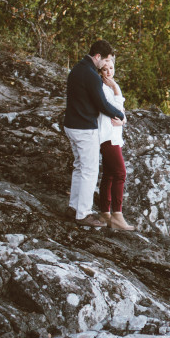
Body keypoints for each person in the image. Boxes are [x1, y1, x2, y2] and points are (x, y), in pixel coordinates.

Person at [63, 40, 126, 227]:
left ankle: (73, 207)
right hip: (84, 128)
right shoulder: (90, 75)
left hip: (71, 125)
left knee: (79, 167)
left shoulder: (77, 69)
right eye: (105, 60)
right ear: (97, 56)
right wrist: (120, 114)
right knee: (89, 171)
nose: (106, 65)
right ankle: (83, 214)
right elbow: (102, 104)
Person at [97, 56, 135, 230]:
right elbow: (116, 109)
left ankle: (105, 213)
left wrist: (123, 120)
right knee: (120, 173)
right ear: (100, 71)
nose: (109, 72)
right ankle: (117, 215)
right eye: (105, 69)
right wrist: (117, 88)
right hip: (107, 136)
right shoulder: (104, 88)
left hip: (114, 136)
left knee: (110, 175)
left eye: (111, 68)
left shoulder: (110, 89)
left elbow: (121, 114)